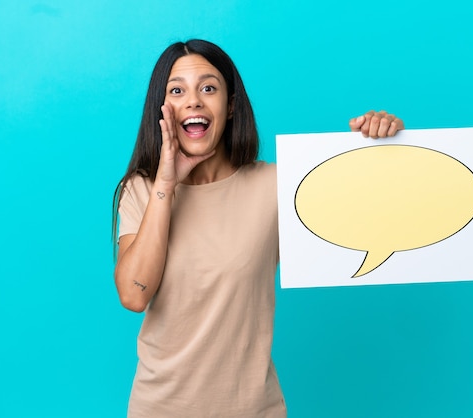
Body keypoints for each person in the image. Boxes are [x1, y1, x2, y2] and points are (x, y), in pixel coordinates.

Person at [112, 39, 404, 418]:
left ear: (230, 105)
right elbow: (135, 295)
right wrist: (166, 182)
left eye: (209, 88)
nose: (194, 100)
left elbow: (370, 214)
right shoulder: (141, 190)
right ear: (162, 110)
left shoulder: (276, 186)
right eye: (177, 90)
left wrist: (383, 147)